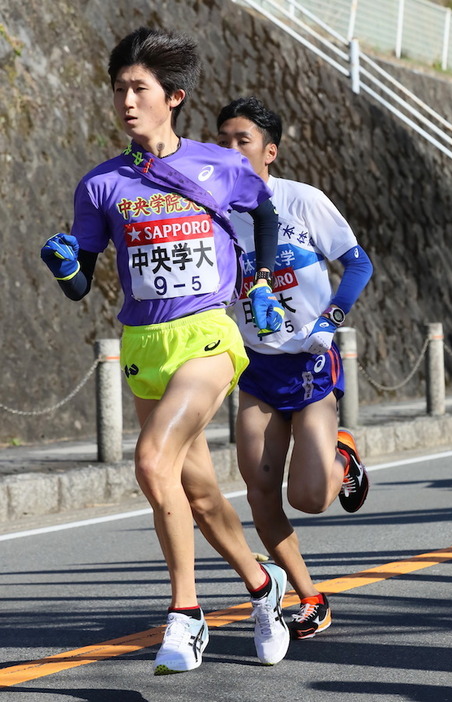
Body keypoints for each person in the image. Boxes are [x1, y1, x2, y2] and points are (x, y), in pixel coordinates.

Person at [40, 29, 290, 675]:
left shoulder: (220, 164)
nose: (126, 100)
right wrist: (63, 266)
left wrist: (258, 281)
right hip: (144, 344)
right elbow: (78, 285)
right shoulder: (102, 185)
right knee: (198, 494)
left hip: (207, 333)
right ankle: (264, 588)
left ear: (172, 97)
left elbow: (262, 214)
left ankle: (186, 614)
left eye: (138, 89)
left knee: (152, 462)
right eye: (118, 88)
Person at [216, 97, 373, 641]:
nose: (231, 149)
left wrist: (330, 319)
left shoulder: (301, 202)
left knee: (308, 498)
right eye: (224, 139)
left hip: (309, 366)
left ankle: (342, 455)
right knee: (259, 491)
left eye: (244, 140)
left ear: (270, 151)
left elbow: (357, 262)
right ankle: (311, 598)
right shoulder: (212, 213)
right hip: (256, 371)